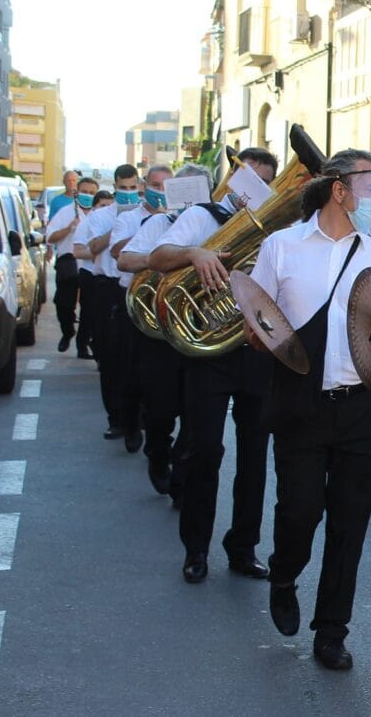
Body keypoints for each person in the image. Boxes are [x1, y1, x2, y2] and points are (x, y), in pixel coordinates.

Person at [251, 150, 371, 671]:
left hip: (362, 407)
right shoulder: (282, 247)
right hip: (302, 402)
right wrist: (267, 340)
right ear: (339, 189)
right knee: (300, 510)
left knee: (351, 522)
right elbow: (258, 318)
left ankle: (332, 630)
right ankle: (284, 572)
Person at [148, 147, 280, 584]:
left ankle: (243, 547)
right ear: (232, 179)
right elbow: (157, 256)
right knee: (204, 450)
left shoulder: (277, 231)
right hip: (208, 351)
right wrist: (195, 255)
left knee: (255, 456)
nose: (250, 192)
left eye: (262, 184)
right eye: (246, 180)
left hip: (256, 350)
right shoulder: (202, 218)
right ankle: (196, 550)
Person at [118, 165, 191, 498]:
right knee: (161, 408)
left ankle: (184, 475)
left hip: (199, 328)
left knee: (197, 413)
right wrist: (166, 258)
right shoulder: (158, 224)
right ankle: (158, 455)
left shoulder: (217, 226)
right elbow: (124, 259)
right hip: (161, 329)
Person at [74, 166, 141, 440]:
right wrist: (119, 225)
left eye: (132, 188)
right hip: (107, 287)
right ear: (114, 187)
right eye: (122, 188)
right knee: (110, 357)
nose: (128, 193)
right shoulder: (101, 216)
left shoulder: (147, 216)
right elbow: (91, 249)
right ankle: (116, 418)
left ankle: (138, 416)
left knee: (136, 357)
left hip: (135, 286)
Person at [46, 176, 98, 354]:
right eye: (85, 192)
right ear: (77, 192)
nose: (88, 196)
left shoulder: (99, 214)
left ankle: (82, 344)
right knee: (64, 305)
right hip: (68, 263)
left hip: (90, 265)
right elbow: (50, 237)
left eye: (92, 193)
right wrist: (69, 228)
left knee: (89, 306)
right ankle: (67, 332)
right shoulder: (66, 212)